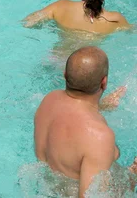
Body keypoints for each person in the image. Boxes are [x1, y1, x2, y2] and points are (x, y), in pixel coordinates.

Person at [34, 47, 137, 197]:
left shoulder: (49, 100)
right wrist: (132, 178)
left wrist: (101, 107)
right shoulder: (100, 136)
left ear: (65, 75)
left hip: (46, 186)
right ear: (104, 82)